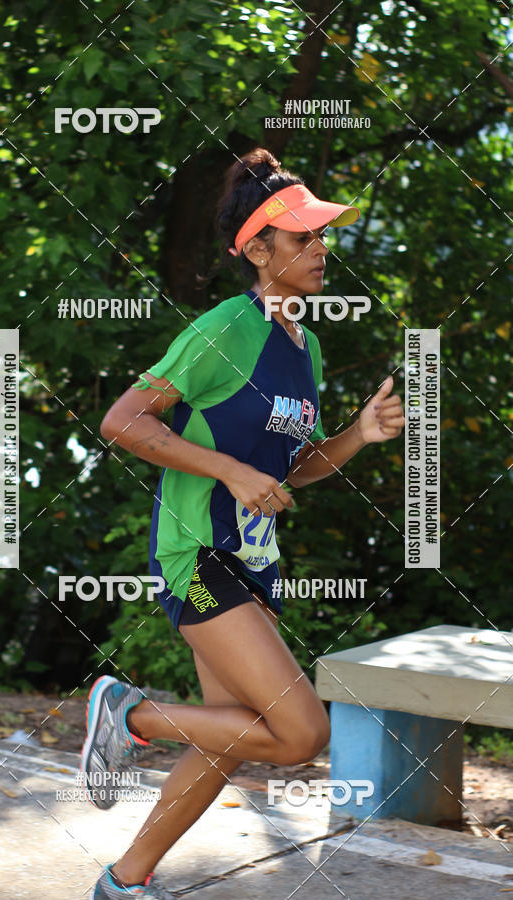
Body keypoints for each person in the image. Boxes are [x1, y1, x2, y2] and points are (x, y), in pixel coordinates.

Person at [82, 147, 405, 898]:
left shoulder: (305, 347)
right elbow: (122, 421)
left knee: (225, 738)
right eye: (303, 237)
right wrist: (229, 471)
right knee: (300, 733)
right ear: (259, 251)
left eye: (322, 235)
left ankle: (124, 883)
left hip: (253, 561)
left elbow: (293, 466)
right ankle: (131, 716)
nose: (321, 248)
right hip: (197, 554)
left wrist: (357, 436)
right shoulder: (226, 328)